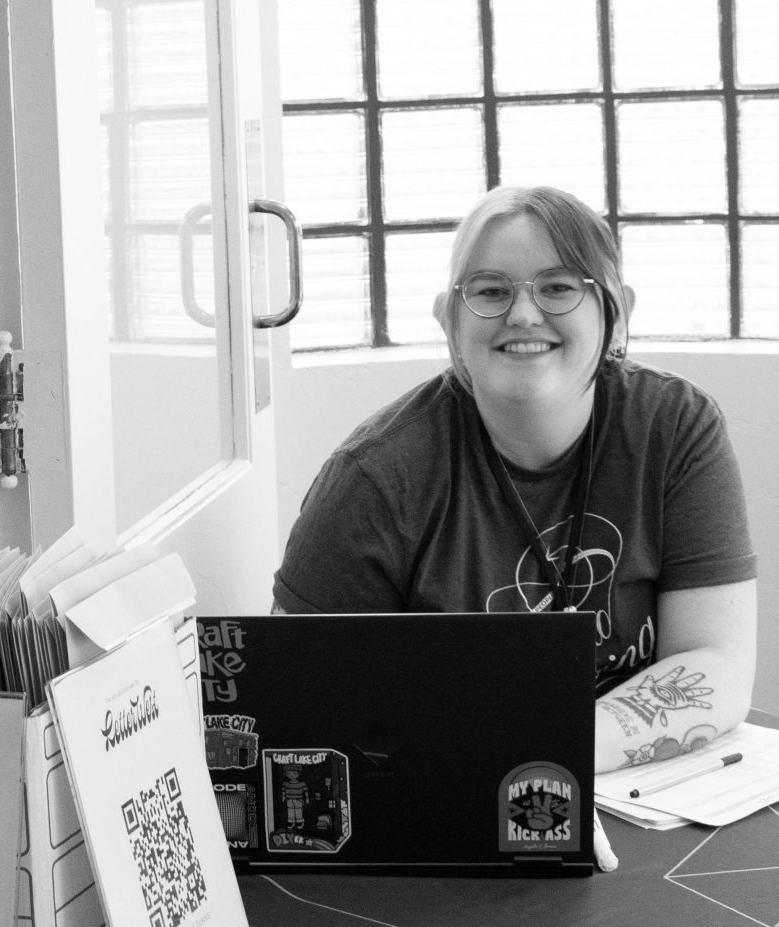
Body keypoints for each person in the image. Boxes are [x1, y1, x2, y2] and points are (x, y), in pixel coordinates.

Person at [273, 185, 757, 778]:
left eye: (558, 287)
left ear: (616, 311)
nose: (524, 314)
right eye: (490, 291)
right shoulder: (373, 480)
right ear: (449, 321)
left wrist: (553, 753)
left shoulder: (675, 427)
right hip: (451, 788)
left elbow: (716, 661)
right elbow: (303, 708)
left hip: (638, 784)